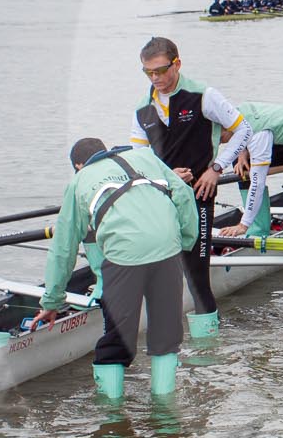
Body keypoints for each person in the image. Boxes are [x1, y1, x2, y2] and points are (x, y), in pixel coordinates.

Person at [33, 135, 200, 400]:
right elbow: (183, 192)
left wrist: (52, 301)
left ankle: (112, 417)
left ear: (78, 166)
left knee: (117, 339)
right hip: (168, 249)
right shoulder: (145, 156)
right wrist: (186, 241)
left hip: (124, 259)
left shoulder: (78, 181)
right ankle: (165, 412)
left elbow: (63, 248)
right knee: (166, 336)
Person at [130, 37, 236, 340]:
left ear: (177, 64)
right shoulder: (142, 110)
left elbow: (244, 130)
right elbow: (138, 161)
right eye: (148, 73)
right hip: (161, 199)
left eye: (161, 71)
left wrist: (217, 169)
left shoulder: (203, 95)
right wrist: (165, 175)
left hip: (200, 197)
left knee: (196, 276)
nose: (156, 79)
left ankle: (207, 348)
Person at [208, 101, 283, 239]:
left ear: (226, 127)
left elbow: (258, 184)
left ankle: (253, 228)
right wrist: (243, 153)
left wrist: (243, 225)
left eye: (220, 139)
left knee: (254, 176)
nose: (220, 143)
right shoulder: (234, 114)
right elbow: (241, 131)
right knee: (240, 163)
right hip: (279, 138)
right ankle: (258, 227)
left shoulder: (259, 136)